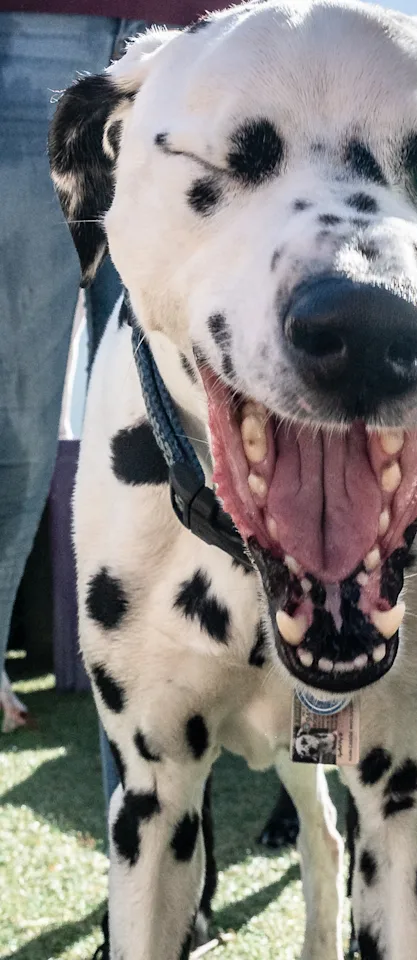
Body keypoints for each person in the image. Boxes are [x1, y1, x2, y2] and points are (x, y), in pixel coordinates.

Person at [0, 2, 213, 731]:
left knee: (195, 434)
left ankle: (187, 756)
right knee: (15, 444)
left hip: (202, 43)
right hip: (31, 34)